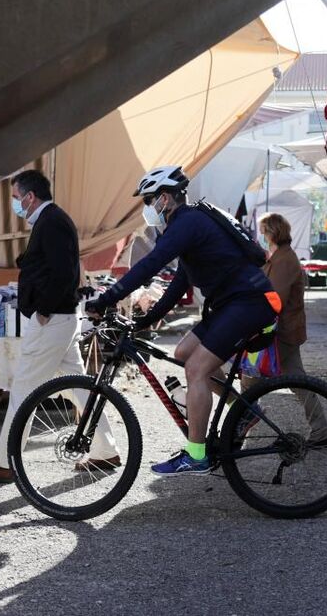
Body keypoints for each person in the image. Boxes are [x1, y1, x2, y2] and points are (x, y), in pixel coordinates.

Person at [86, 166, 280, 476]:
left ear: (164, 198)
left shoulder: (187, 223)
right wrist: (149, 318)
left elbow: (150, 265)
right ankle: (245, 411)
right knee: (182, 353)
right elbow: (180, 282)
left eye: (148, 201)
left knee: (196, 369)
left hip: (249, 303)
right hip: (231, 304)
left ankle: (196, 455)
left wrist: (107, 299)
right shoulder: (188, 224)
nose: (147, 209)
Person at [0, 170, 118, 483]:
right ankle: (105, 450)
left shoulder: (52, 222)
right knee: (79, 387)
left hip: (52, 320)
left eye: (15, 198)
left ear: (29, 197)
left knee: (25, 388)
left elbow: (64, 272)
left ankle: (5, 460)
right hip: (58, 319)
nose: (15, 205)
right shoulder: (52, 221)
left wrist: (44, 310)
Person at [242, 213, 327, 446]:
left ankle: (239, 428)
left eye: (263, 231)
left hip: (282, 332)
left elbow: (274, 299)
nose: (261, 235)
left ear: (272, 232)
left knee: (254, 379)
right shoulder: (280, 257)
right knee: (289, 382)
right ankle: (321, 433)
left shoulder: (284, 260)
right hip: (283, 330)